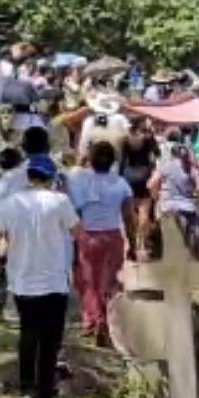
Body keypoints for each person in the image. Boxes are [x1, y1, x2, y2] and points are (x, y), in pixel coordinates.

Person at [0, 155, 81, 398]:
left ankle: (26, 385)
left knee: (28, 332)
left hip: (22, 281)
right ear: (52, 178)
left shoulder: (10, 204)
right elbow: (77, 231)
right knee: (50, 342)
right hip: (54, 282)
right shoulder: (60, 202)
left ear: (28, 177)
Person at [67, 141, 135, 345]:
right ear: (114, 161)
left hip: (88, 236)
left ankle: (93, 320)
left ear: (90, 159)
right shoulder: (121, 184)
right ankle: (108, 321)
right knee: (111, 282)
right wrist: (132, 243)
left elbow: (74, 211)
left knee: (89, 281)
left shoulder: (80, 180)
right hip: (113, 236)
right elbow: (128, 217)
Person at [149, 130, 199, 256]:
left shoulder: (165, 166)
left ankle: (156, 252)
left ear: (172, 154)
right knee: (197, 225)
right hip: (187, 207)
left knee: (157, 227)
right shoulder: (191, 167)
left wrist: (156, 197)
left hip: (167, 206)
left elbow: (151, 184)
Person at [120, 118, 159, 257]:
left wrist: (120, 176)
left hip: (128, 174)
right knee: (144, 209)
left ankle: (132, 242)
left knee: (131, 211)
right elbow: (157, 153)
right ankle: (141, 242)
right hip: (144, 173)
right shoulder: (147, 139)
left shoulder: (125, 139)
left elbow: (122, 160)